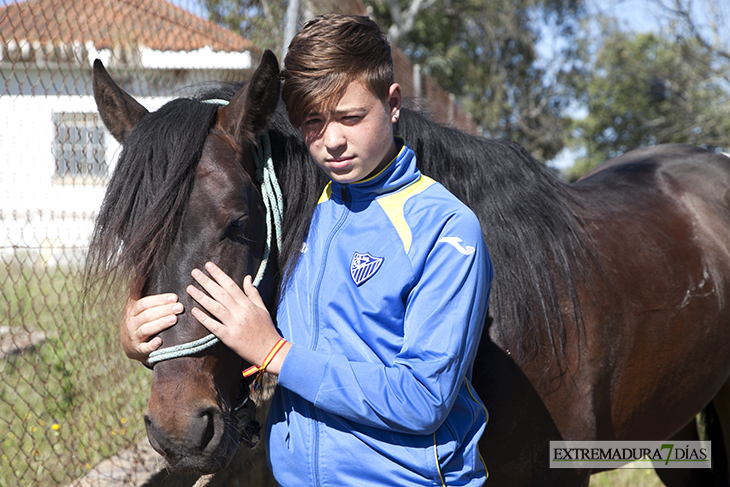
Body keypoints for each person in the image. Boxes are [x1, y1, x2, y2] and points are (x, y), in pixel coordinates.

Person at [121, 14, 493, 486]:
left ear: (393, 104)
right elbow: (227, 305)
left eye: (351, 117)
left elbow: (423, 398)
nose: (332, 140)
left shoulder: (445, 229)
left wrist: (276, 352)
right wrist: (138, 338)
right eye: (313, 122)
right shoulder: (304, 220)